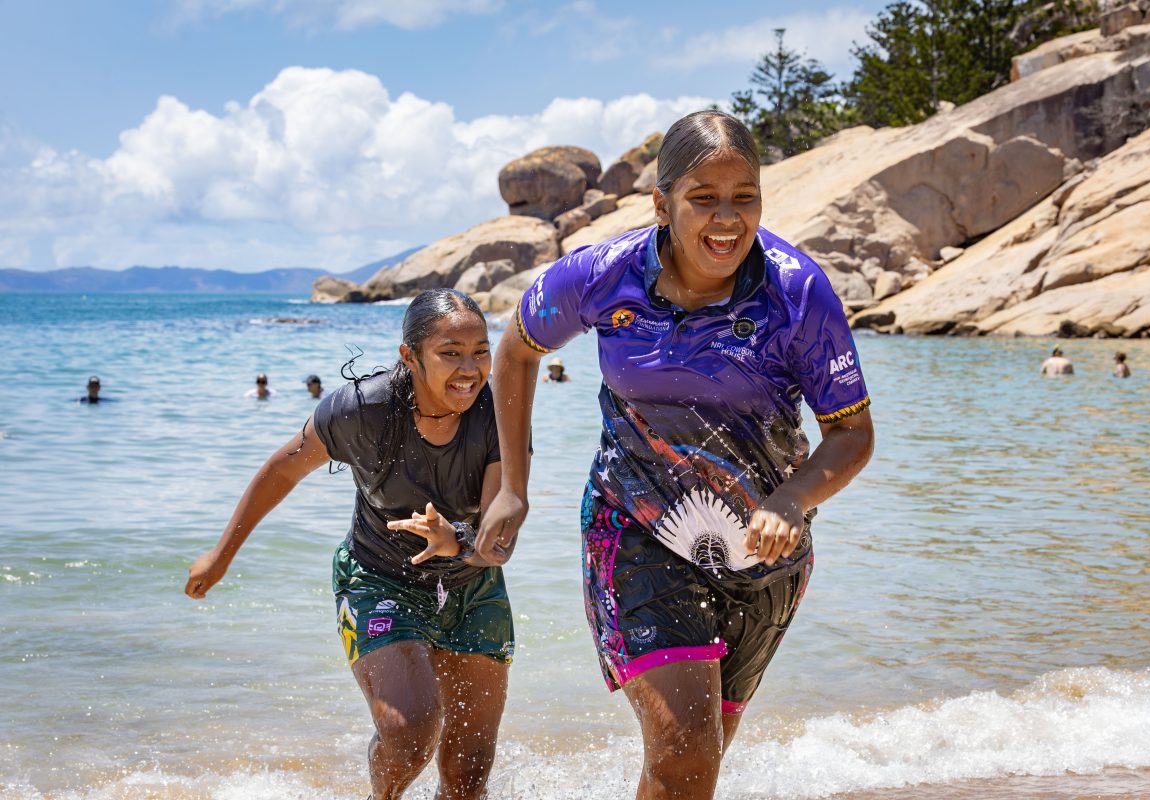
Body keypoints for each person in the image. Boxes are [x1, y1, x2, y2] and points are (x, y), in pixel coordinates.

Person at [479, 110, 874, 800]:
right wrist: (513, 485)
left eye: (744, 197)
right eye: (703, 198)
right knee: (685, 747)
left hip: (764, 553)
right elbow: (514, 350)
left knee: (701, 756)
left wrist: (792, 499)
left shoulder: (796, 291)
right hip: (635, 528)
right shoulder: (603, 276)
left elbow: (852, 431)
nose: (727, 220)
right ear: (661, 204)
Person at [185, 289, 516, 800]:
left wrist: (458, 541)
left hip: (473, 588)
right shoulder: (362, 411)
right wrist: (221, 555)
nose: (469, 368)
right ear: (410, 356)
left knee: (470, 770)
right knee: (409, 735)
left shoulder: (500, 410)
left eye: (480, 350)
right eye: (450, 352)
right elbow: (283, 469)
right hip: (379, 579)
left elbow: (500, 535)